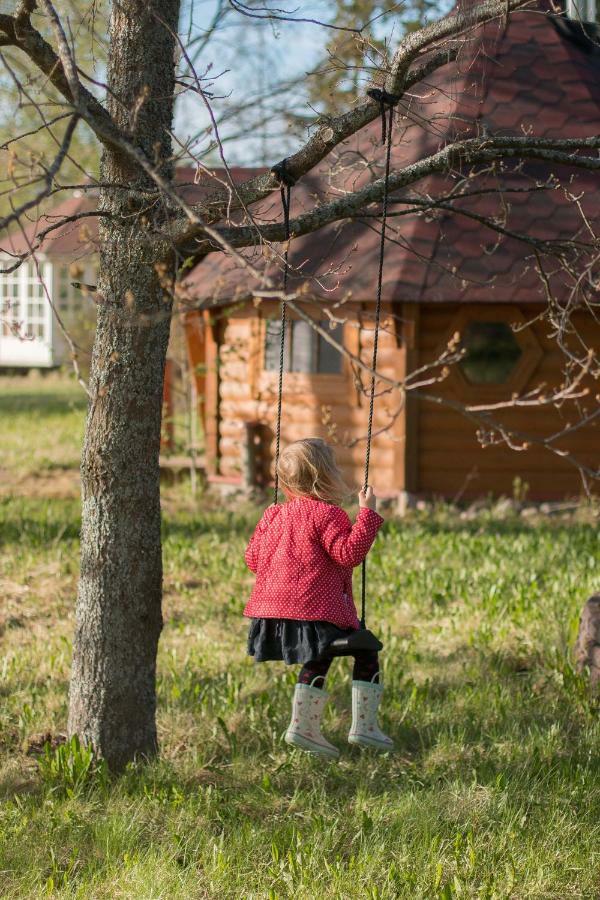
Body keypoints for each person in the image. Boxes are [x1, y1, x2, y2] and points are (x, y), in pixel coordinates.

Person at [244, 437, 394, 759]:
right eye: (335, 468)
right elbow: (348, 554)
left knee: (319, 656)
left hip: (273, 617)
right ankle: (363, 727)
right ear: (323, 476)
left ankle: (305, 727)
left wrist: (263, 523)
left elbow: (253, 561)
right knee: (366, 650)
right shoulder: (328, 515)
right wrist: (367, 515)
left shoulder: (273, 516)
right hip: (314, 612)